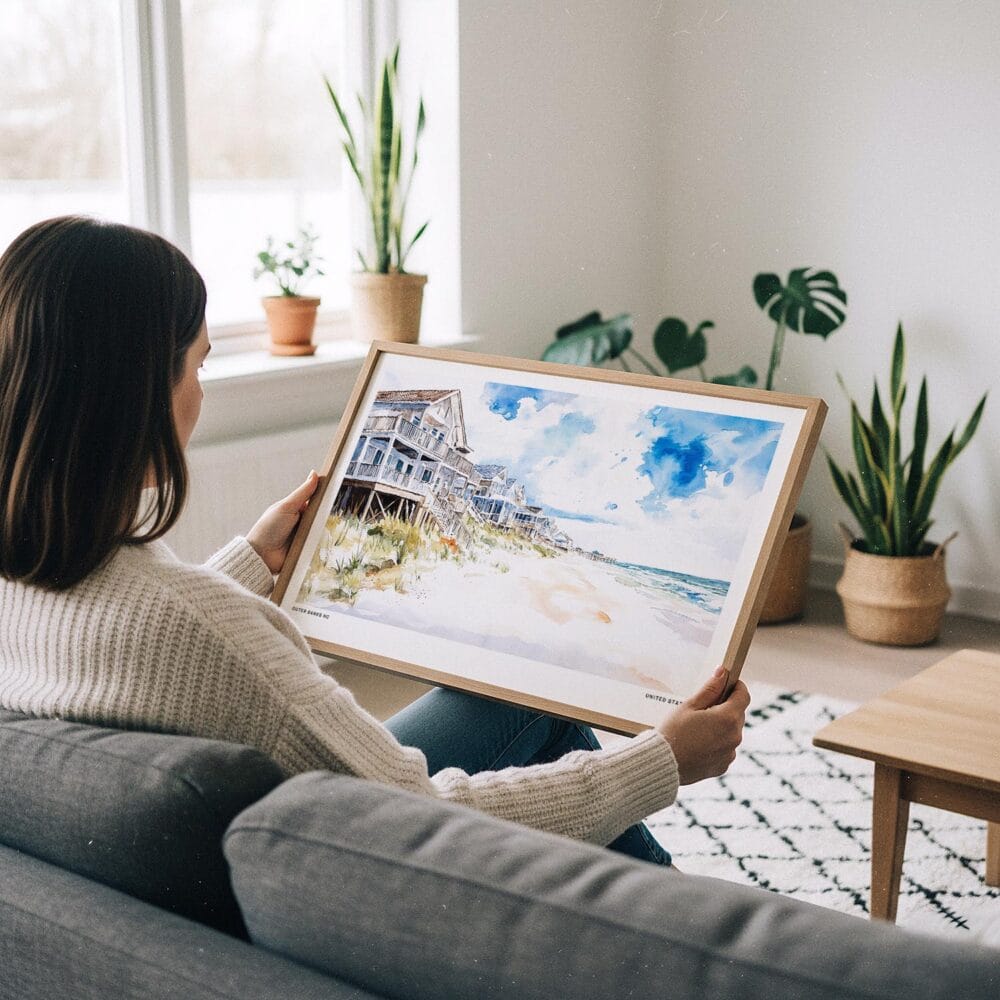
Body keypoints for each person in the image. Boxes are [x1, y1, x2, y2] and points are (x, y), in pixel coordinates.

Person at [0, 216, 749, 866]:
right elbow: (417, 816)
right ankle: (688, 934)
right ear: (136, 393)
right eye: (199, 365)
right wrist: (660, 761)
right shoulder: (210, 631)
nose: (202, 391)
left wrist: (251, 562)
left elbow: (143, 636)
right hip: (354, 863)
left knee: (510, 703)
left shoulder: (28, 580)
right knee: (548, 720)